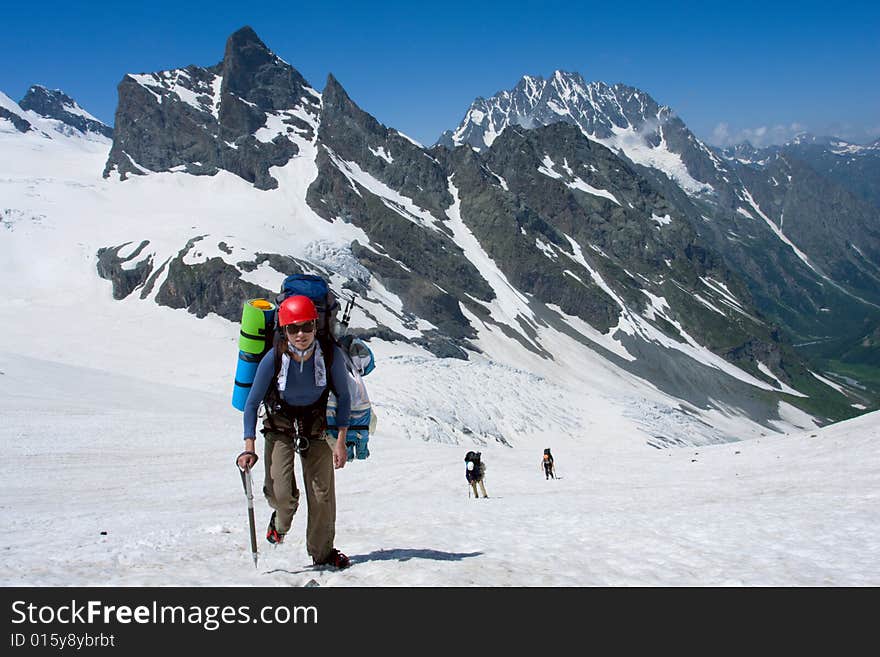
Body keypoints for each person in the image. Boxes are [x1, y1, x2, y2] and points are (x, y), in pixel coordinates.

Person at [236, 295, 353, 569]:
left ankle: (322, 552)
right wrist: (249, 446)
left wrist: (341, 442)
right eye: (292, 328)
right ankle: (281, 519)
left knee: (322, 493)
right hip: (280, 426)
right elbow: (252, 403)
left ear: (315, 325)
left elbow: (344, 397)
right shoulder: (273, 357)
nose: (300, 334)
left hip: (316, 426)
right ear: (284, 329)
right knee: (279, 493)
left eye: (306, 327)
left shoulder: (329, 354)